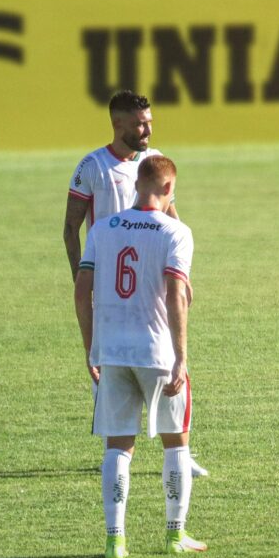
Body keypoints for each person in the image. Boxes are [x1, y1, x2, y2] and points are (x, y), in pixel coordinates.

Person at [64, 90, 207, 478]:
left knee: (163, 360)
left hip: (149, 276)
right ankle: (114, 448)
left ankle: (179, 451)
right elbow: (71, 228)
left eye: (149, 122)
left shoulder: (152, 160)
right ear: (118, 124)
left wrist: (183, 274)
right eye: (140, 123)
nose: (146, 129)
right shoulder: (92, 166)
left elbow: (172, 217)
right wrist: (84, 278)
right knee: (109, 364)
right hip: (110, 279)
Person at [74, 156, 207, 558]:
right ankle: (174, 534)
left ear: (137, 184)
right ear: (168, 189)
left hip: (112, 350)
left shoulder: (101, 229)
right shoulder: (176, 232)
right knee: (175, 443)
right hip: (157, 353)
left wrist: (91, 348)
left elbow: (82, 290)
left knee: (118, 445)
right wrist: (181, 356)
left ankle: (115, 540)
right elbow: (175, 293)